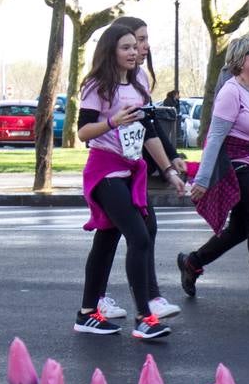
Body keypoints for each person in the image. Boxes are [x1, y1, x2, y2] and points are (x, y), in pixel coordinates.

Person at [74, 23, 185, 340]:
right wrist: (111, 121)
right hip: (104, 171)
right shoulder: (98, 85)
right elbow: (82, 132)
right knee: (139, 237)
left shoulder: (139, 84)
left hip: (131, 171)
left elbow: (148, 133)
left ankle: (86, 314)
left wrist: (169, 172)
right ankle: (144, 317)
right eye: (126, 47)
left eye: (134, 47)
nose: (134, 52)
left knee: (107, 241)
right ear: (111, 51)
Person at [176, 35, 249, 304]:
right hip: (238, 164)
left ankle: (193, 263)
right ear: (240, 61)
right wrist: (203, 180)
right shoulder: (231, 91)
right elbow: (215, 138)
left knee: (241, 228)